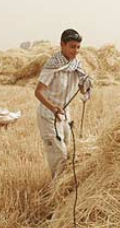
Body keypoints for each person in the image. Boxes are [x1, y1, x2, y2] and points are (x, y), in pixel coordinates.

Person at [35, 29, 92, 178]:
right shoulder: (52, 65)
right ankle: (55, 191)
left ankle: (60, 189)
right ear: (62, 45)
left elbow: (81, 89)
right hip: (48, 116)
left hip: (65, 116)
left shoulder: (77, 66)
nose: (76, 51)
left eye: (78, 47)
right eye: (72, 46)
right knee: (59, 155)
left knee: (67, 153)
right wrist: (53, 108)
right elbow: (38, 92)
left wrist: (85, 88)